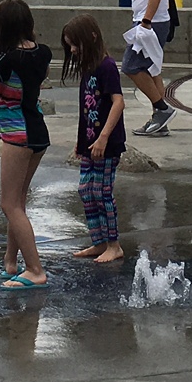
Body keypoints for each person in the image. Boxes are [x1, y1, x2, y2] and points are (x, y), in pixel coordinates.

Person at [0, 0, 51, 288]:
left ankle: (35, 269)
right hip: (38, 132)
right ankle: (11, 262)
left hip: (18, 135)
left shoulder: (8, 60)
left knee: (8, 204)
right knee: (18, 201)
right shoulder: (43, 53)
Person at [64, 15, 126, 265]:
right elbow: (86, 109)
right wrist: (81, 141)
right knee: (85, 191)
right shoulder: (88, 67)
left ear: (91, 37)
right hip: (90, 143)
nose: (72, 50)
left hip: (106, 143)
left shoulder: (107, 66)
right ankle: (99, 240)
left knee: (102, 192)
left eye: (74, 44)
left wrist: (102, 138)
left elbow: (118, 102)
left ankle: (114, 244)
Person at [120, 0, 177, 136]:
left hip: (150, 22)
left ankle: (162, 110)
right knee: (153, 70)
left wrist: (146, 22)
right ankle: (160, 120)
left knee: (130, 66)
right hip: (150, 21)